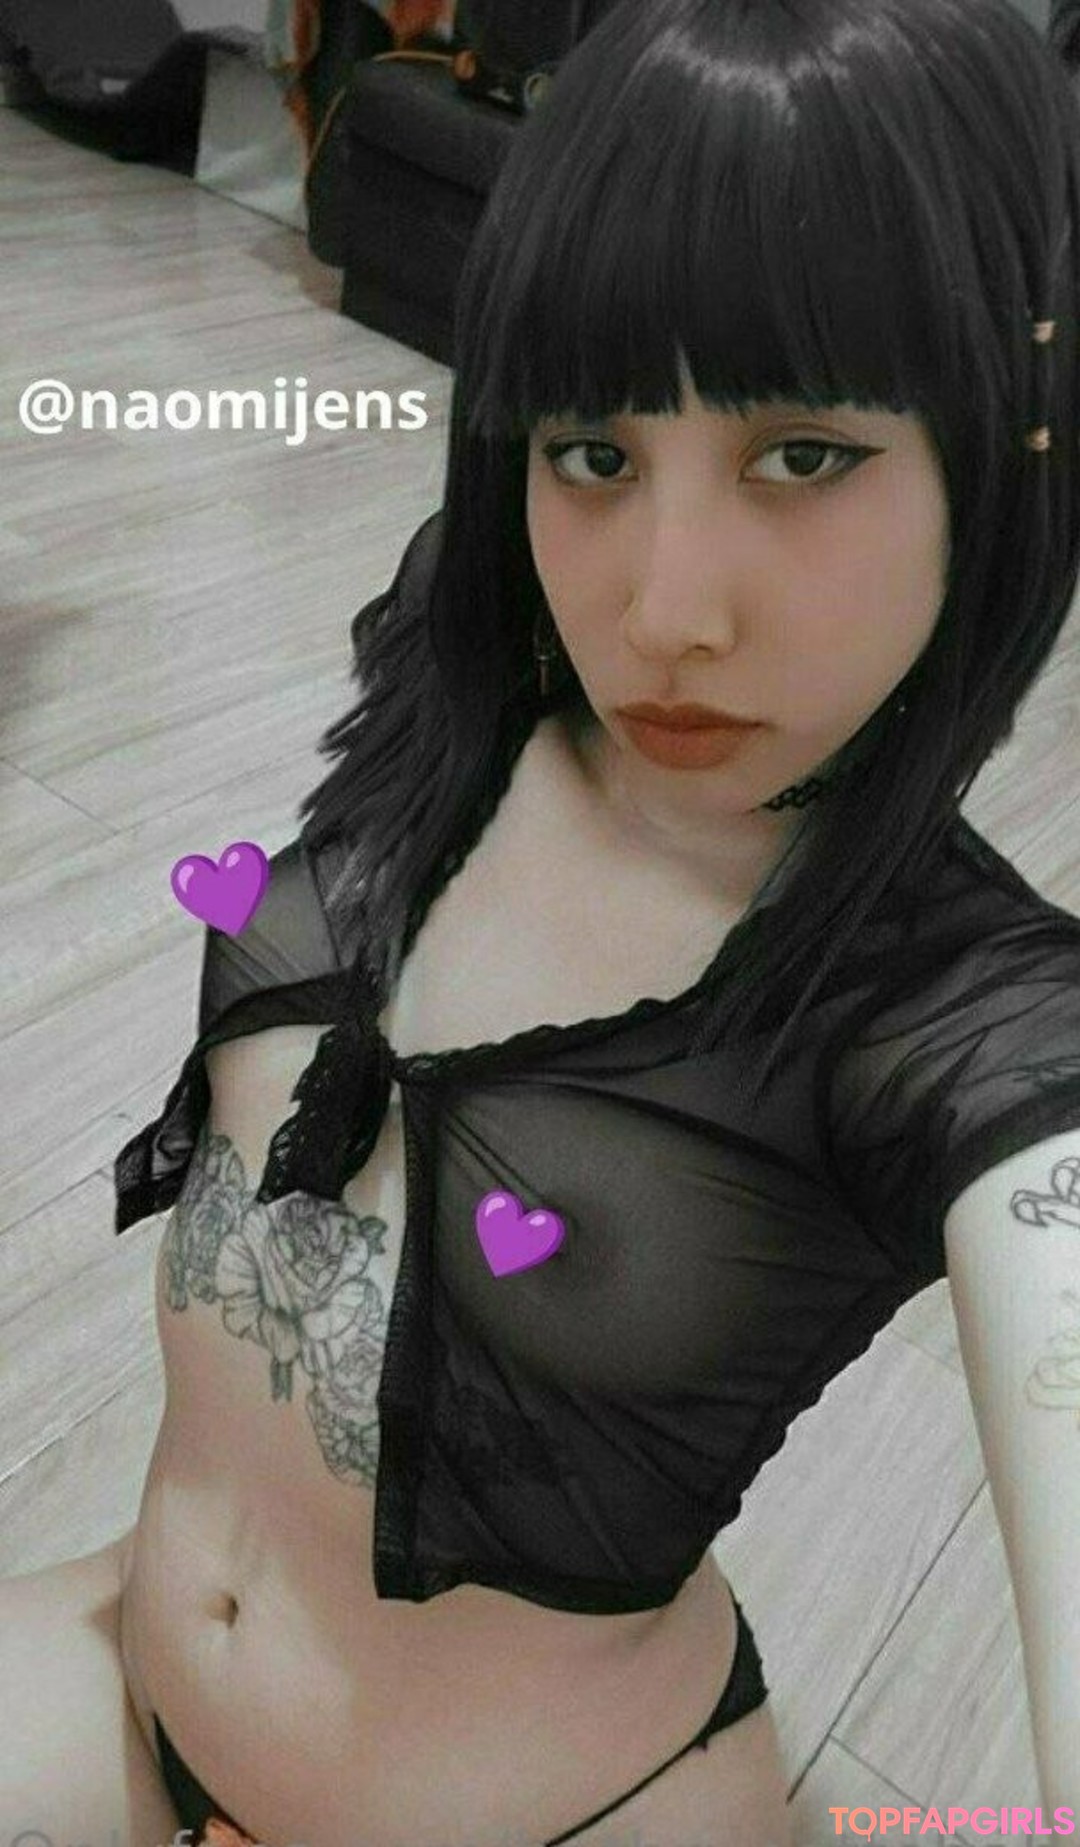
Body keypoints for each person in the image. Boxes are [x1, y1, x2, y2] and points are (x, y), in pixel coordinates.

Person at [4, 0, 1080, 1842]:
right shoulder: (478, 652)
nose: (661, 609)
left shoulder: (973, 1025)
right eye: (592, 449)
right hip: (128, 1665)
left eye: (804, 454)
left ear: (1006, 451)